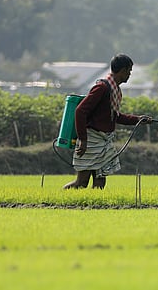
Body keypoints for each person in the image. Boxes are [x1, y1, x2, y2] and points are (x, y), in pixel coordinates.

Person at [63, 53, 149, 189]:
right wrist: (83, 140)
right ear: (123, 70)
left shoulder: (115, 90)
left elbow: (115, 116)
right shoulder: (102, 88)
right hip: (91, 139)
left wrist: (137, 119)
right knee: (81, 183)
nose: (129, 74)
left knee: (100, 181)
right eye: (129, 71)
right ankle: (62, 202)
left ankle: (96, 208)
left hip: (104, 141)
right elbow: (80, 111)